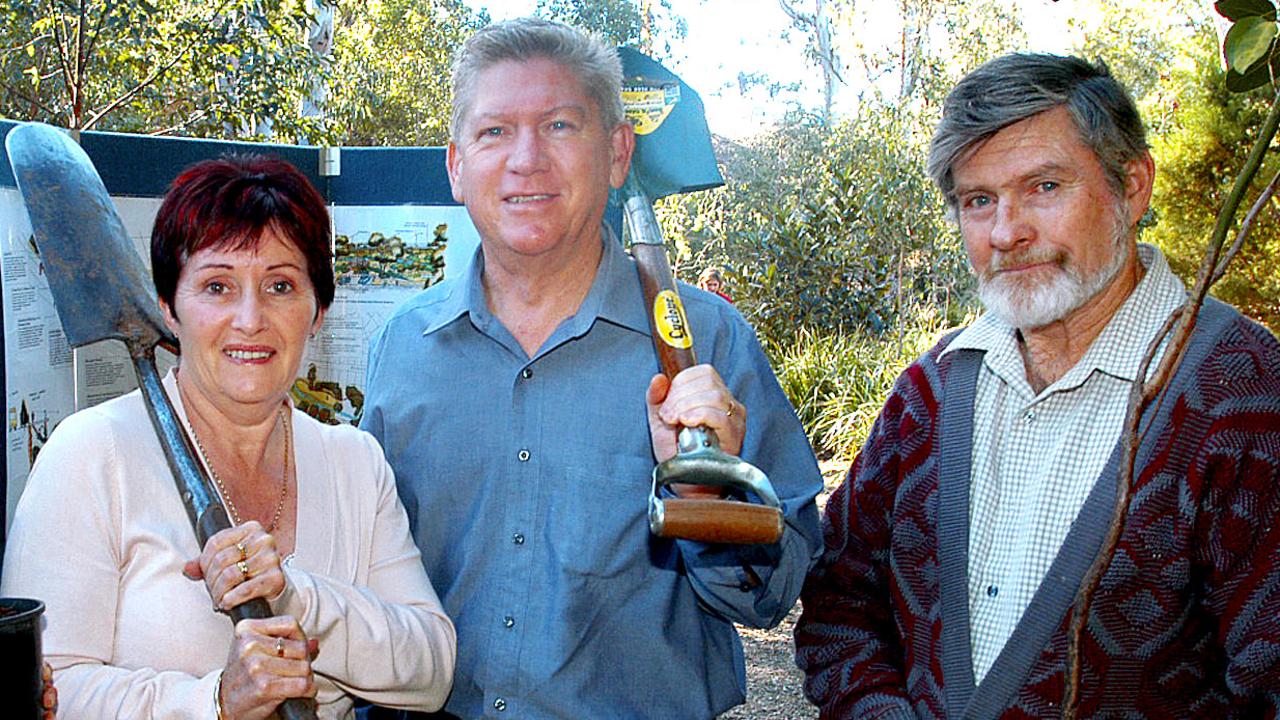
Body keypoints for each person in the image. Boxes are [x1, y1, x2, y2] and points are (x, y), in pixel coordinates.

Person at [361, 17, 823, 719]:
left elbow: (772, 594)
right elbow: (371, 572)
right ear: (456, 167)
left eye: (559, 126)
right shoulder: (404, 347)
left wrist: (712, 498)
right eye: (494, 132)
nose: (526, 159)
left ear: (615, 154)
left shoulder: (704, 343)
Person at [794, 53, 1280, 718]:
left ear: (1133, 186)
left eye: (1045, 187)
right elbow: (842, 598)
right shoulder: (932, 392)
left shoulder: (1243, 394)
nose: (1006, 233)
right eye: (979, 201)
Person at [1, 156, 456, 718]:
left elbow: (431, 670)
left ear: (319, 311)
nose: (250, 319)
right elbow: (48, 688)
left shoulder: (353, 463)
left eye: (281, 286)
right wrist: (214, 701)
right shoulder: (92, 454)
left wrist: (296, 596)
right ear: (168, 307)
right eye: (217, 286)